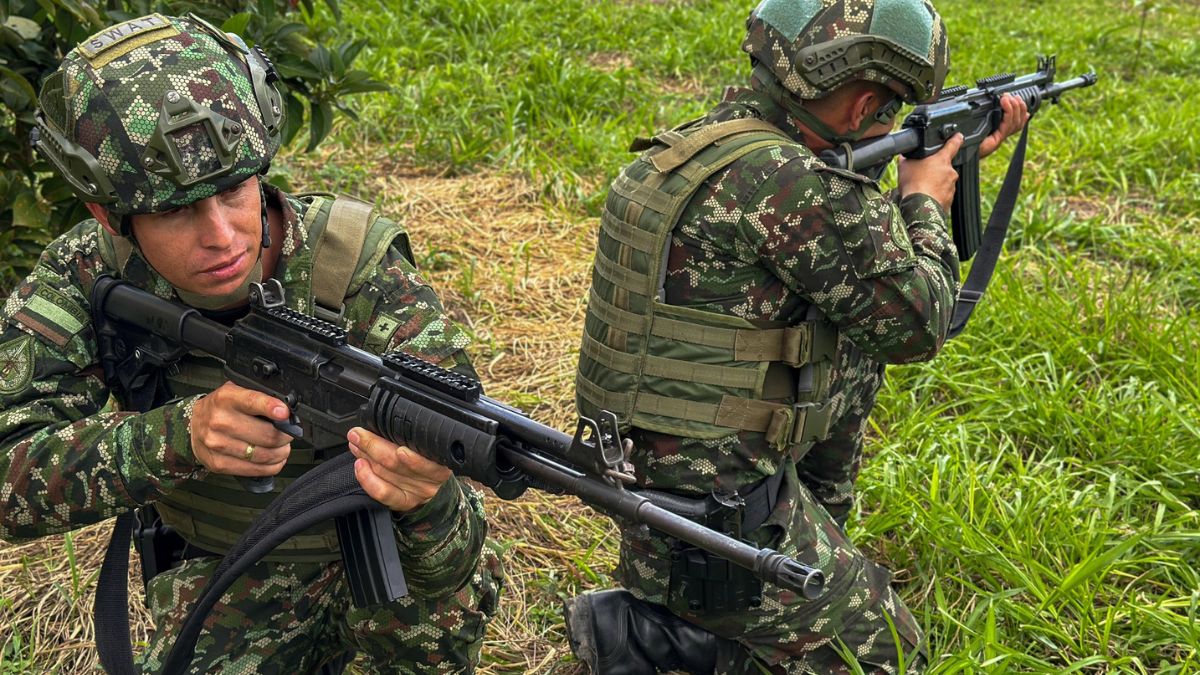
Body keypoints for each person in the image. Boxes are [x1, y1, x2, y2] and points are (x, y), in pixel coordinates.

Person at [0, 14, 501, 673]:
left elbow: (454, 432)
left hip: (404, 563)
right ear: (106, 213)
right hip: (232, 567)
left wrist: (425, 486)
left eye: (235, 189)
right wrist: (177, 437)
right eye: (177, 209)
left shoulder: (353, 263)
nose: (223, 236)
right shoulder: (82, 277)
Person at [564, 0, 1029, 673]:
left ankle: (789, 554)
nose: (887, 125)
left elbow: (830, 230)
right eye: (887, 110)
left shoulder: (715, 142)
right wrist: (925, 196)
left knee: (847, 341)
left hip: (644, 474)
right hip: (713, 516)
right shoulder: (793, 185)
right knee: (886, 651)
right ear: (861, 101)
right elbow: (920, 321)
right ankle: (645, 635)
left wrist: (939, 152)